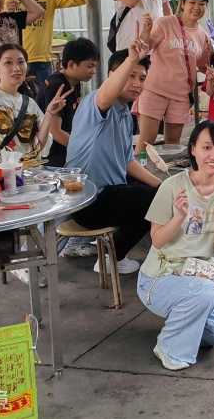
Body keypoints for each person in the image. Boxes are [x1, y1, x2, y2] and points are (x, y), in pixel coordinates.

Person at [137, 120, 214, 370]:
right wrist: (179, 216)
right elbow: (157, 240)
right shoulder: (172, 186)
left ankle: (188, 331)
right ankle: (169, 347)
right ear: (194, 149)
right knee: (204, 292)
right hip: (159, 277)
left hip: (202, 274)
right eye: (207, 147)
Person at [66, 39, 163, 275]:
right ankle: (113, 258)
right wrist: (131, 58)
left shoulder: (125, 115)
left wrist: (163, 185)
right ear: (112, 76)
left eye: (142, 78)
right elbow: (104, 97)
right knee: (155, 201)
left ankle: (114, 255)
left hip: (110, 194)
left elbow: (128, 161)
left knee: (160, 195)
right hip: (88, 200)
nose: (137, 83)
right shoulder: (95, 102)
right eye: (130, 76)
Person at [136, 0, 214, 152]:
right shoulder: (165, 23)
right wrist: (146, 32)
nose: (196, 7)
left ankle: (166, 170)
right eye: (192, 2)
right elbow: (144, 48)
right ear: (183, 3)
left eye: (202, 4)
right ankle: (137, 170)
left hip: (181, 95)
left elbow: (205, 66)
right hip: (155, 90)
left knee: (172, 143)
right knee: (146, 141)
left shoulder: (204, 37)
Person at [37, 38, 99, 167]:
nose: (93, 71)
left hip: (64, 148)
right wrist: (84, 150)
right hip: (52, 156)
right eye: (89, 66)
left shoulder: (74, 82)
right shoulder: (57, 86)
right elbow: (54, 131)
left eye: (95, 66)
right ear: (71, 64)